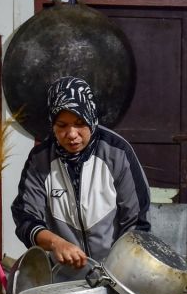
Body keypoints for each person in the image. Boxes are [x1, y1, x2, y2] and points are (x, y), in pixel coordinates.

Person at [11, 76, 151, 278]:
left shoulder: (117, 153)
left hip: (116, 275)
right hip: (62, 279)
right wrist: (56, 243)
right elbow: (25, 218)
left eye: (80, 123)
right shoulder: (40, 160)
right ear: (52, 123)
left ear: (91, 117)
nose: (72, 134)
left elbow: (138, 220)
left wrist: (118, 272)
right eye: (62, 125)